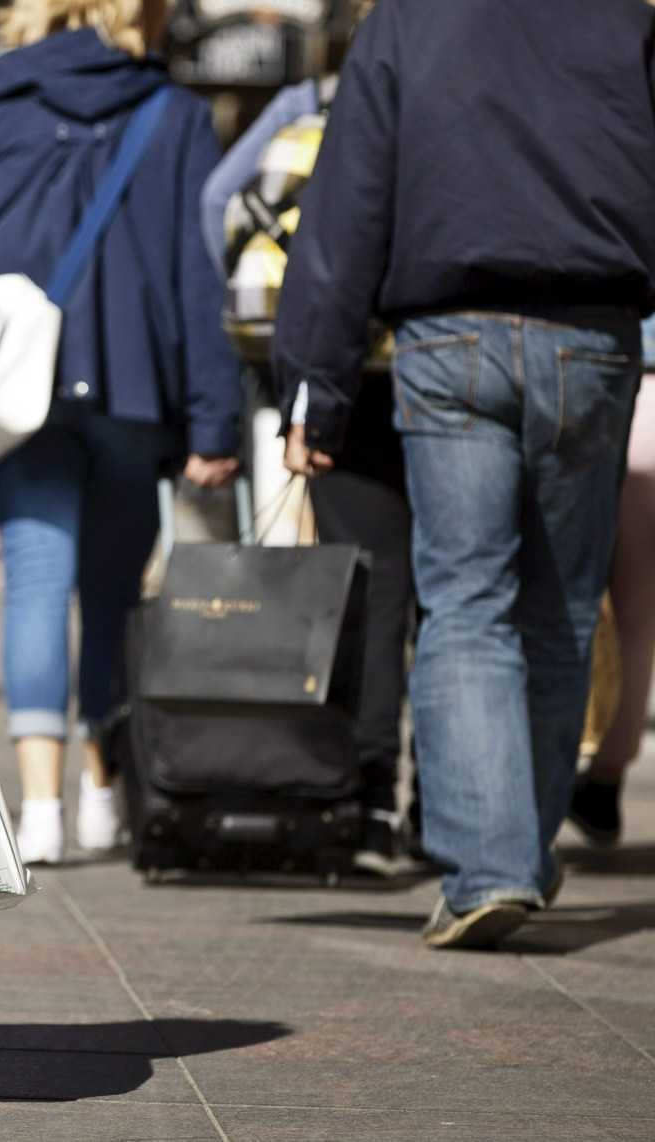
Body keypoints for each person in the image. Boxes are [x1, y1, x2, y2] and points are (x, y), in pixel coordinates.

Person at [274, 0, 655, 949]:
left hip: (450, 334)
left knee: (465, 599)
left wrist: (315, 382)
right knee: (563, 609)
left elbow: (350, 197)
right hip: (595, 333)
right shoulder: (624, 18)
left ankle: (491, 870)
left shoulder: (409, 17)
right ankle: (515, 854)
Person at [0, 0, 243, 866]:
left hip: (18, 383)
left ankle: (39, 810)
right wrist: (215, 420)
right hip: (136, 383)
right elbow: (197, 275)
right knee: (112, 591)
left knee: (36, 579)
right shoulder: (174, 111)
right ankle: (103, 793)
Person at [200, 0, 415, 876]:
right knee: (458, 594)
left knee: (372, 585)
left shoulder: (306, 115)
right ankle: (447, 803)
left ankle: (367, 797)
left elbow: (223, 204)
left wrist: (300, 394)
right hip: (430, 359)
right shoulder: (448, 112)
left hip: (343, 381)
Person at [570, 316, 655, 847]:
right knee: (638, 606)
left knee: (608, 598)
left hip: (626, 376)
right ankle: (607, 774)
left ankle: (590, 773)